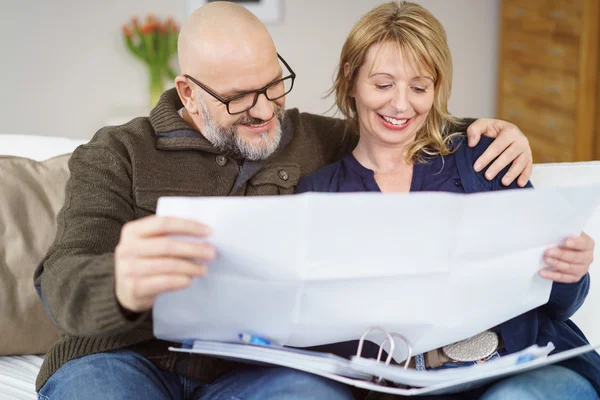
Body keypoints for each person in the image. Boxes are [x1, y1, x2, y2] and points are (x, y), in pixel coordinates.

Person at [34, 2, 536, 399]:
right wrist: (121, 282)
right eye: (239, 98)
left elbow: (394, 123)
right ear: (188, 94)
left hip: (250, 371)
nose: (264, 110)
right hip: (118, 358)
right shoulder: (117, 152)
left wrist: (488, 132)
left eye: (273, 84)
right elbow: (62, 279)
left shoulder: (309, 137)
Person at [296, 2, 599, 399]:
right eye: (383, 84)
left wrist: (570, 268)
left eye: (419, 87)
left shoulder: (482, 158)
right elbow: (313, 333)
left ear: (436, 89)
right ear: (351, 80)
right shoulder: (319, 194)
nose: (401, 105)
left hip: (523, 366)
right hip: (405, 384)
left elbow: (561, 304)